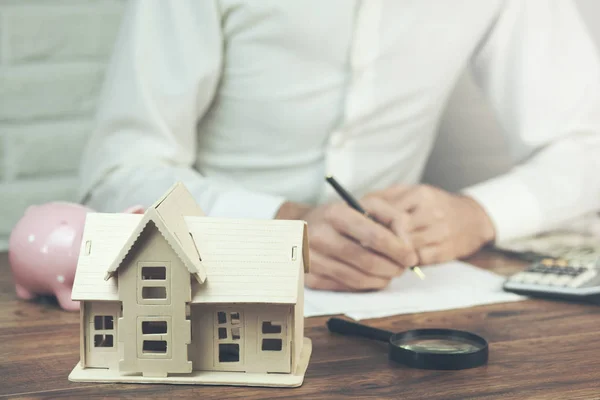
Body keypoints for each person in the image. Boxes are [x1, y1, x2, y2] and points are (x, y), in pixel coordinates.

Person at [78, 0, 600, 292]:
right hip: (200, 292)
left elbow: (588, 144)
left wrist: (477, 214)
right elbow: (117, 174)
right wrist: (279, 225)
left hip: (399, 298)